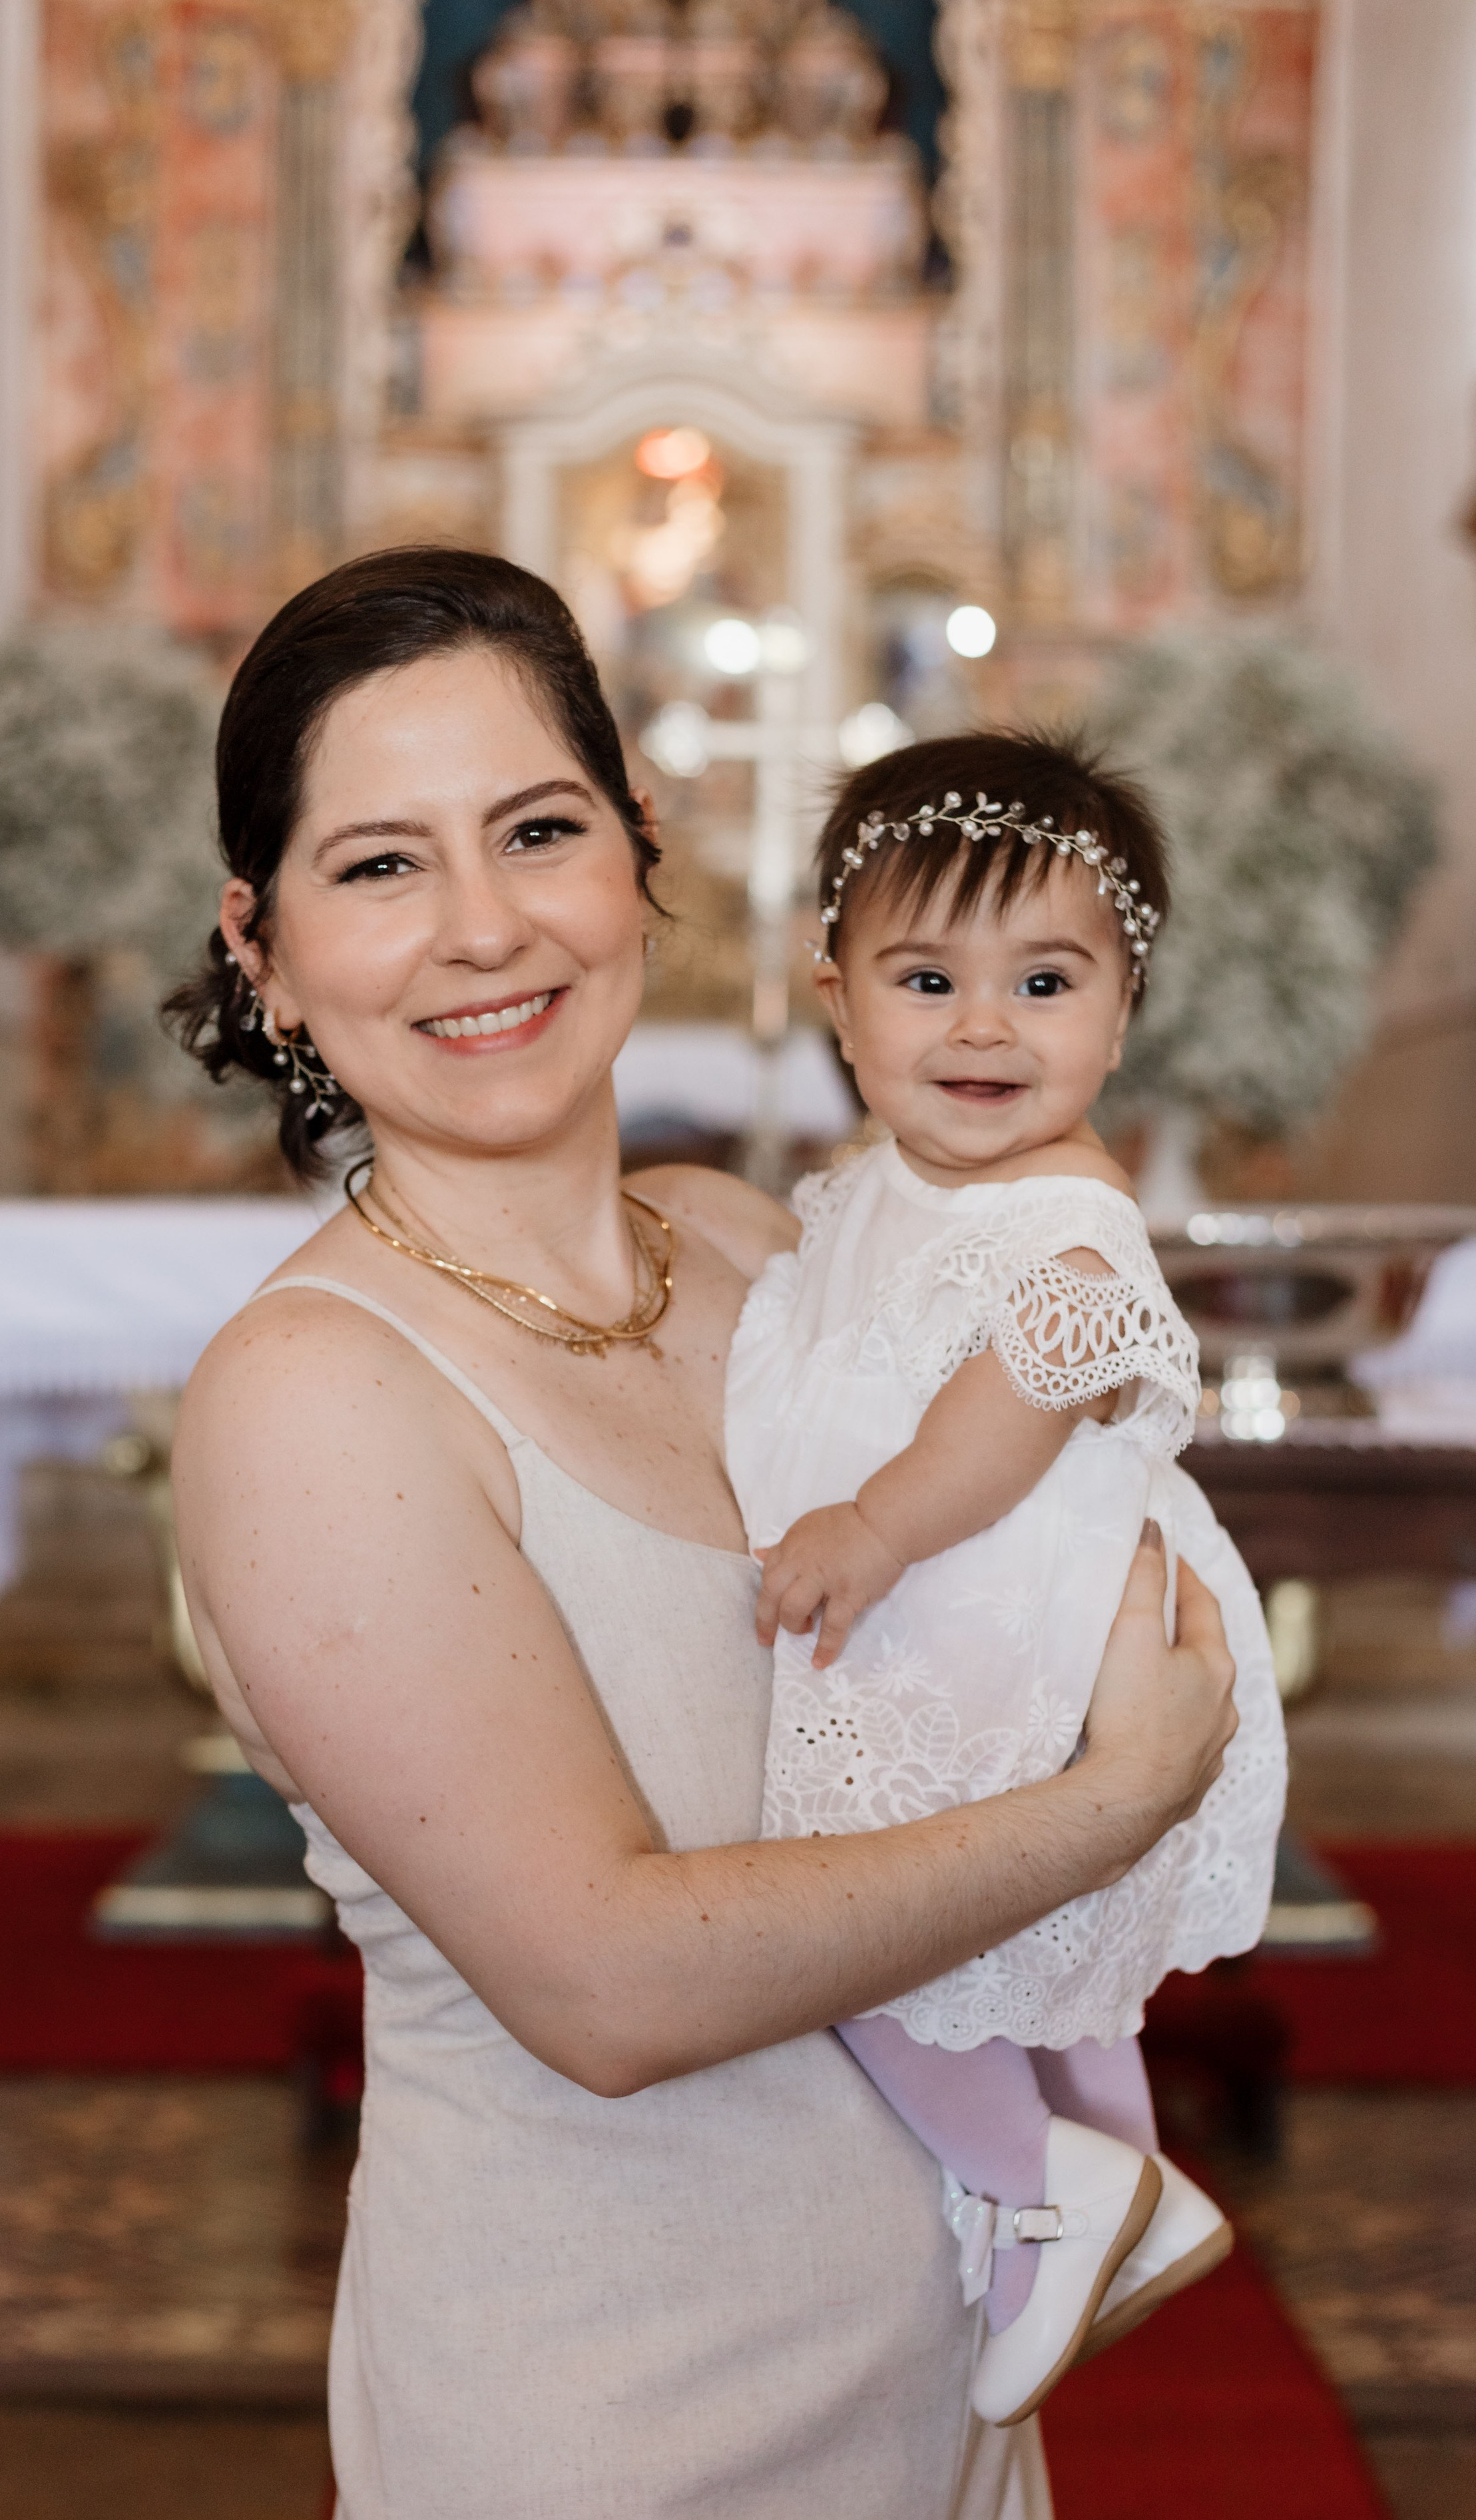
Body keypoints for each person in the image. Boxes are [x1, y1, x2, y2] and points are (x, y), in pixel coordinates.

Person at [167, 547, 1239, 2520]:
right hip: (613, 2418)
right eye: (381, 866)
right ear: (264, 946)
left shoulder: (765, 1248)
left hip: (947, 2395)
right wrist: (1118, 1797)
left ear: (638, 844)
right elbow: (608, 1989)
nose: (484, 928)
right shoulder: (318, 1392)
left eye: (539, 829)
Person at [729, 732, 1286, 2429]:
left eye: (1041, 981)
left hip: (987, 1623)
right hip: (955, 1623)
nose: (983, 1027)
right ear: (836, 998)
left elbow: (1003, 1413)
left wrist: (876, 1527)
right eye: (925, 978)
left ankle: (1038, 2186)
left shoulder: (1064, 1222)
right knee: (1028, 1967)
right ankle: (1107, 2175)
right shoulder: (886, 1193)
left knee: (862, 1945)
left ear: (1119, 1015)